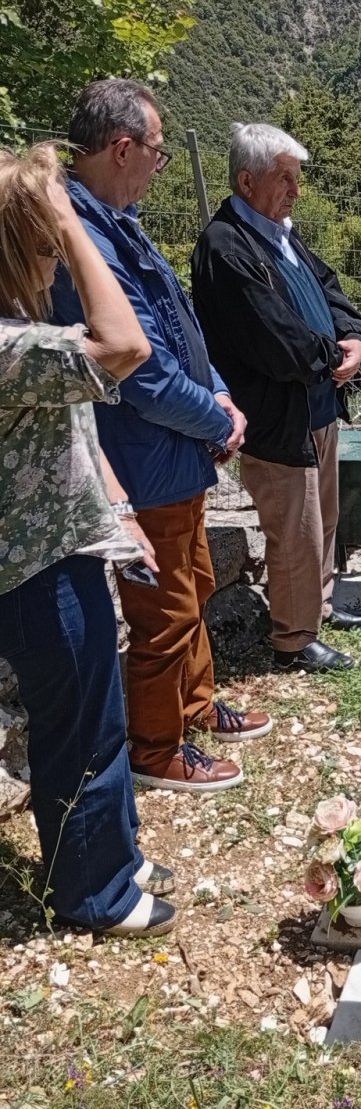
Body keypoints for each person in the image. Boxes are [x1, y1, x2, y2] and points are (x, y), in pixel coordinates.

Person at [51, 79, 270, 793]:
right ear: (122, 149)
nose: (159, 164)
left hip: (173, 451)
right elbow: (140, 372)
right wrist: (218, 418)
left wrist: (219, 392)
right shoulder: (85, 238)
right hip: (143, 458)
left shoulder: (116, 221)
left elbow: (178, 325)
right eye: (156, 150)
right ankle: (156, 748)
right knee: (164, 612)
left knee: (193, 586)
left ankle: (196, 706)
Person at [0, 144, 177, 934]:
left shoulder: (21, 336)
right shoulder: (8, 347)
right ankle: (94, 894)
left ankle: (115, 854)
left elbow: (72, 422)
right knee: (78, 733)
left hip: (62, 550)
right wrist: (72, 221)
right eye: (44, 246)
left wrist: (118, 511)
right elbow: (125, 347)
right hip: (34, 570)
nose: (55, 262)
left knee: (96, 719)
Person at [190, 124, 361, 673]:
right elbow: (275, 339)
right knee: (294, 530)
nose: (296, 190)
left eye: (297, 178)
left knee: (322, 519)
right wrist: (330, 355)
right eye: (284, 178)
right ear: (247, 181)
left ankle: (318, 609)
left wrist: (355, 338)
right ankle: (293, 640)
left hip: (317, 406)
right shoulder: (226, 246)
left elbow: (330, 290)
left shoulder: (281, 236)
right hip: (277, 417)